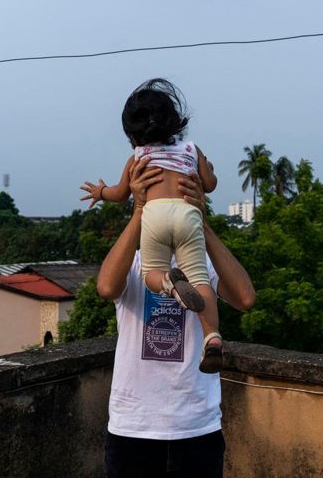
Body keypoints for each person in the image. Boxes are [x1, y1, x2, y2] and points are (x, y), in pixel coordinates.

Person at [97, 155, 256, 478]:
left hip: (196, 426)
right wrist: (139, 212)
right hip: (134, 426)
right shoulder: (135, 262)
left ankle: (170, 285)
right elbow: (106, 286)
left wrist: (202, 223)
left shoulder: (202, 267)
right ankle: (173, 286)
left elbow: (245, 297)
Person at [81, 78, 223, 372]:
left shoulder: (138, 158)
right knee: (199, 280)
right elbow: (209, 184)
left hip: (153, 215)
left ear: (132, 134)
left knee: (151, 274)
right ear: (175, 122)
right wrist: (208, 169)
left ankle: (169, 284)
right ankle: (212, 337)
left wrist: (100, 192)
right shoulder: (191, 150)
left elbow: (121, 194)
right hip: (188, 215)